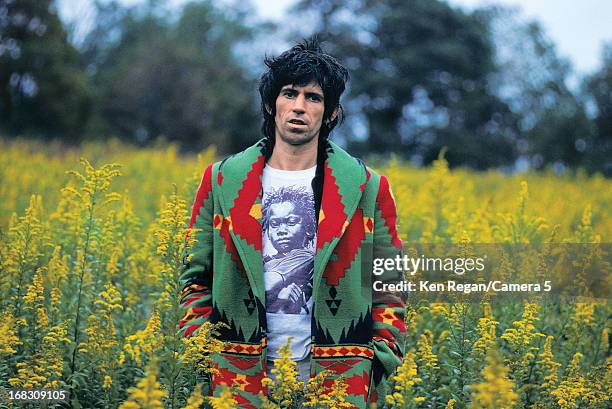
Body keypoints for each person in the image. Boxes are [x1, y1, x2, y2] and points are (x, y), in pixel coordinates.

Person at [179, 38, 406, 409]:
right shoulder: (221, 180)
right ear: (271, 104)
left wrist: (378, 360)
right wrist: (203, 354)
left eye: (314, 98)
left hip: (339, 378)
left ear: (330, 112)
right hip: (237, 373)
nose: (299, 106)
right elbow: (194, 277)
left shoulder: (367, 187)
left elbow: (389, 284)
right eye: (290, 94)